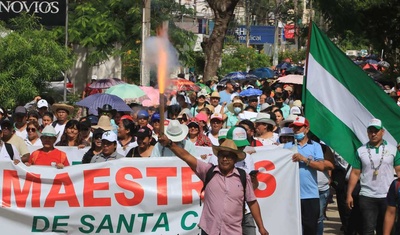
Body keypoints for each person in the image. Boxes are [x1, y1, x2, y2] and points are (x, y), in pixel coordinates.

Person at [157, 134, 269, 235]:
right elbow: (187, 157)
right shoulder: (208, 171)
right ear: (218, 157)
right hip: (209, 230)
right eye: (222, 155)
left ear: (235, 159)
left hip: (233, 231)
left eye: (229, 156)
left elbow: (252, 202)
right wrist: (170, 144)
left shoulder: (243, 177)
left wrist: (261, 227)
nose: (225, 159)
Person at [347, 118, 400, 235]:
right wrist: (349, 194)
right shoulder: (361, 151)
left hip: (387, 195)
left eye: (376, 131)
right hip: (367, 195)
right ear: (367, 132)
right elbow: (355, 173)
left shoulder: (392, 150)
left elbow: (399, 170)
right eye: (370, 131)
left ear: (382, 132)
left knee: (386, 229)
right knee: (368, 229)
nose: (373, 134)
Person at [284, 116, 325, 234]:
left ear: (306, 129)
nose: (296, 130)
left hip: (310, 195)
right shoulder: (287, 146)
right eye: (294, 128)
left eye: (298, 128)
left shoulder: (316, 146)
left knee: (310, 229)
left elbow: (321, 166)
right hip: (292, 195)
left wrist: (303, 159)